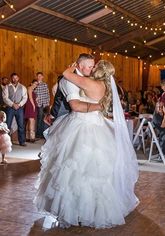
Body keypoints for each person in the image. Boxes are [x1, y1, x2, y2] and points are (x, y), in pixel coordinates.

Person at [34, 60, 139, 229]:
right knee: (96, 174)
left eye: (94, 66)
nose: (92, 68)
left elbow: (67, 75)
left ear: (98, 70)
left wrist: (73, 65)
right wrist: (98, 105)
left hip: (83, 126)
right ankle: (94, 210)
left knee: (75, 172)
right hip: (98, 125)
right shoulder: (104, 85)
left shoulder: (89, 82)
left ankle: (77, 211)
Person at [2, 73, 27, 146]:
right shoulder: (6, 87)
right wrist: (13, 104)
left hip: (19, 108)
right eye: (13, 78)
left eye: (16, 78)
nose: (15, 79)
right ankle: (6, 142)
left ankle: (22, 142)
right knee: (8, 125)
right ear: (11, 78)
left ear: (18, 78)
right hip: (10, 108)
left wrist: (19, 104)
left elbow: (25, 98)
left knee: (21, 125)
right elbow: (5, 98)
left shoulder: (23, 87)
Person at [34, 72, 50, 138]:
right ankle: (38, 133)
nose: (39, 77)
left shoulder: (45, 84)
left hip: (45, 103)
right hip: (39, 104)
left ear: (42, 77)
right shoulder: (35, 84)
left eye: (41, 76)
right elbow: (34, 94)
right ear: (37, 77)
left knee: (45, 118)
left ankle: (44, 133)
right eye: (38, 76)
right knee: (39, 118)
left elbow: (47, 93)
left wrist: (48, 102)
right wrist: (36, 102)